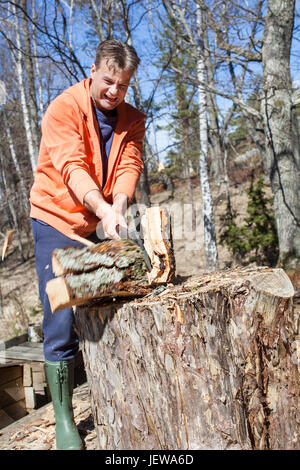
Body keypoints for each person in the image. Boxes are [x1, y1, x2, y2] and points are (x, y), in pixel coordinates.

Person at [30, 39, 145, 450]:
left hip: (101, 222)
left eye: (124, 85)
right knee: (60, 319)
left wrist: (118, 208)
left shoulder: (132, 118)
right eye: (109, 81)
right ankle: (64, 420)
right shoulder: (63, 108)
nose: (114, 91)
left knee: (115, 303)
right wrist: (101, 207)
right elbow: (72, 167)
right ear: (93, 70)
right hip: (56, 220)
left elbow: (130, 164)